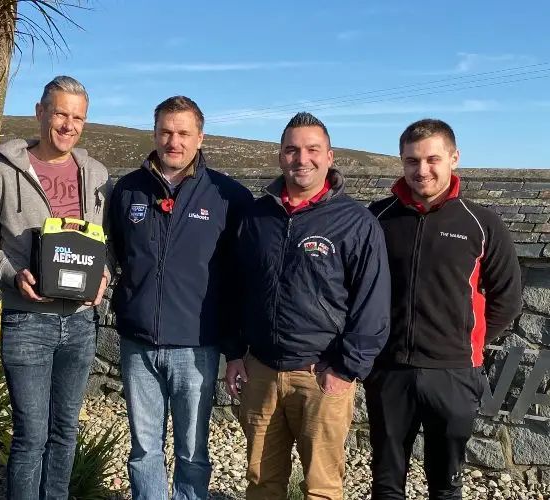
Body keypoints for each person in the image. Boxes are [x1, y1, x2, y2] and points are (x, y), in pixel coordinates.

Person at [224, 111, 391, 500]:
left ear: (330, 156)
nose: (302, 159)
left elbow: (373, 304)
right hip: (261, 371)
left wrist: (346, 368)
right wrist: (234, 353)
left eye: (313, 150)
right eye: (292, 150)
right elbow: (235, 289)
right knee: (262, 482)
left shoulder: (356, 222)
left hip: (322, 376)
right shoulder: (256, 216)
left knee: (321, 487)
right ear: (280, 156)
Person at [366, 119, 522, 499]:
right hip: (389, 370)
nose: (422, 170)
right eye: (411, 160)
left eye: (432, 159)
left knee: (446, 485)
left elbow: (508, 297)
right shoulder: (377, 217)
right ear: (401, 162)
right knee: (386, 483)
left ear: (454, 158)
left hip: (453, 373)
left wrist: (465, 340)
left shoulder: (481, 222)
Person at [108, 95, 253, 500]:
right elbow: (120, 252)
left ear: (200, 137)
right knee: (143, 449)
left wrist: (235, 346)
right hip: (138, 343)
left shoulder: (229, 197)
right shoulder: (128, 190)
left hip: (197, 347)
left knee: (193, 450)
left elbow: (241, 276)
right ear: (154, 133)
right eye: (166, 132)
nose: (174, 141)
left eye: (183, 133)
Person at [0, 75, 111, 499]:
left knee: (65, 430)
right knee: (31, 435)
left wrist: (104, 274)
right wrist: (11, 273)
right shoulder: (2, 172)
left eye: (77, 117)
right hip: (27, 321)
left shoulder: (96, 174)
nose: (68, 125)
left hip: (79, 323)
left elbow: (103, 241)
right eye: (60, 113)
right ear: (40, 112)